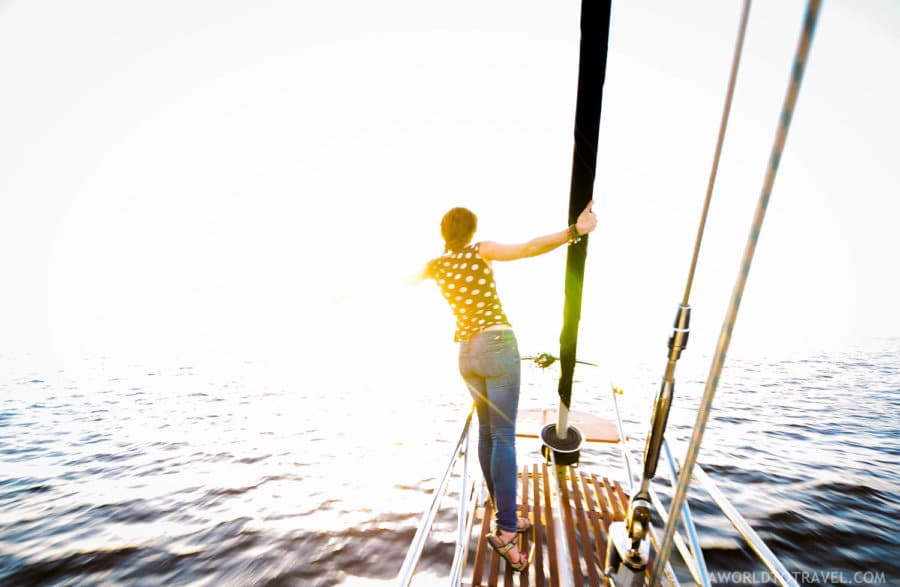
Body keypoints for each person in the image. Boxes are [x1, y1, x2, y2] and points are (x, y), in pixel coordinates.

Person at [421, 201, 597, 572]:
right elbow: (529, 248)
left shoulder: (437, 267)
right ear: (470, 231)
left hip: (466, 355)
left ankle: (503, 512)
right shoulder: (479, 251)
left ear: (443, 234)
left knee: (488, 432)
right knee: (503, 436)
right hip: (497, 345)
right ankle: (506, 531)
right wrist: (576, 231)